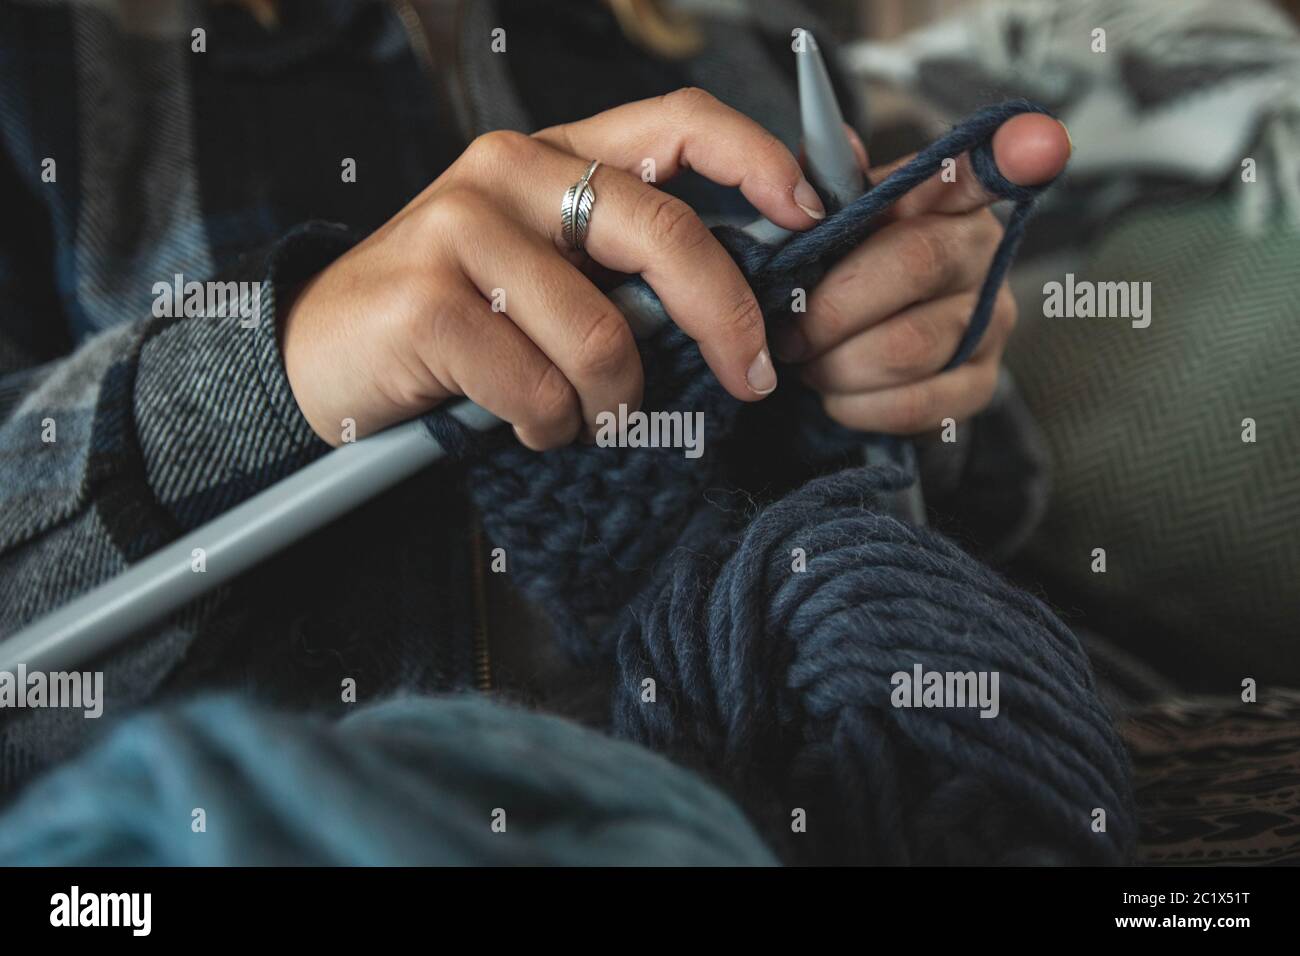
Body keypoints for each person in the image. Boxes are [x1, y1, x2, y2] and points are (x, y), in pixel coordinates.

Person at [0, 0, 1068, 791]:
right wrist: (276, 374)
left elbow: (1002, 504)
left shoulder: (741, 41)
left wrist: (911, 368)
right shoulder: (47, 70)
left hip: (788, 789)